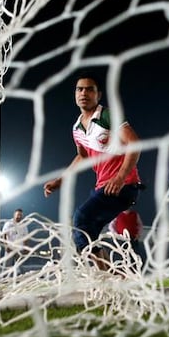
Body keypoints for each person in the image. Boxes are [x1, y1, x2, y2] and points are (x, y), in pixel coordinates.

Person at [43, 70, 142, 271]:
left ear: (98, 95)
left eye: (89, 89)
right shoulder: (77, 128)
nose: (84, 93)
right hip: (103, 188)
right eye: (80, 89)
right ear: (75, 93)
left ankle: (108, 276)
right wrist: (60, 180)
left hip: (123, 186)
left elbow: (134, 144)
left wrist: (121, 177)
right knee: (87, 234)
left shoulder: (107, 116)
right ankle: (113, 277)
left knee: (81, 219)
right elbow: (83, 156)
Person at [1, 208, 29, 279]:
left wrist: (26, 247)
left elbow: (25, 237)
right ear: (14, 215)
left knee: (20, 265)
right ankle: (4, 280)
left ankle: (21, 279)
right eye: (18, 215)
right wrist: (6, 246)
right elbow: (4, 235)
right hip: (10, 248)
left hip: (19, 248)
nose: (19, 216)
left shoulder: (24, 225)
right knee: (7, 266)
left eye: (20, 215)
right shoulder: (8, 224)